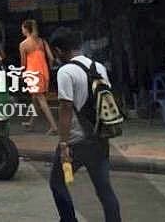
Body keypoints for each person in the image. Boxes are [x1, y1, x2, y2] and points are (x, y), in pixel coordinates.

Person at [49, 27, 121, 222]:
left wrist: (63, 144)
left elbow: (65, 110)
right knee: (104, 190)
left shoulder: (65, 71)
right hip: (100, 138)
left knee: (57, 182)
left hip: (75, 141)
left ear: (58, 51)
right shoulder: (99, 67)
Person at [19, 19, 58, 135]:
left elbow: (23, 62)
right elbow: (51, 58)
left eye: (22, 28)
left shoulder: (23, 44)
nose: (21, 30)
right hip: (43, 71)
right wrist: (48, 69)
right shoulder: (42, 41)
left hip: (32, 73)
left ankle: (54, 127)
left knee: (41, 99)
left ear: (26, 29)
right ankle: (31, 123)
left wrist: (22, 74)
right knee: (35, 99)